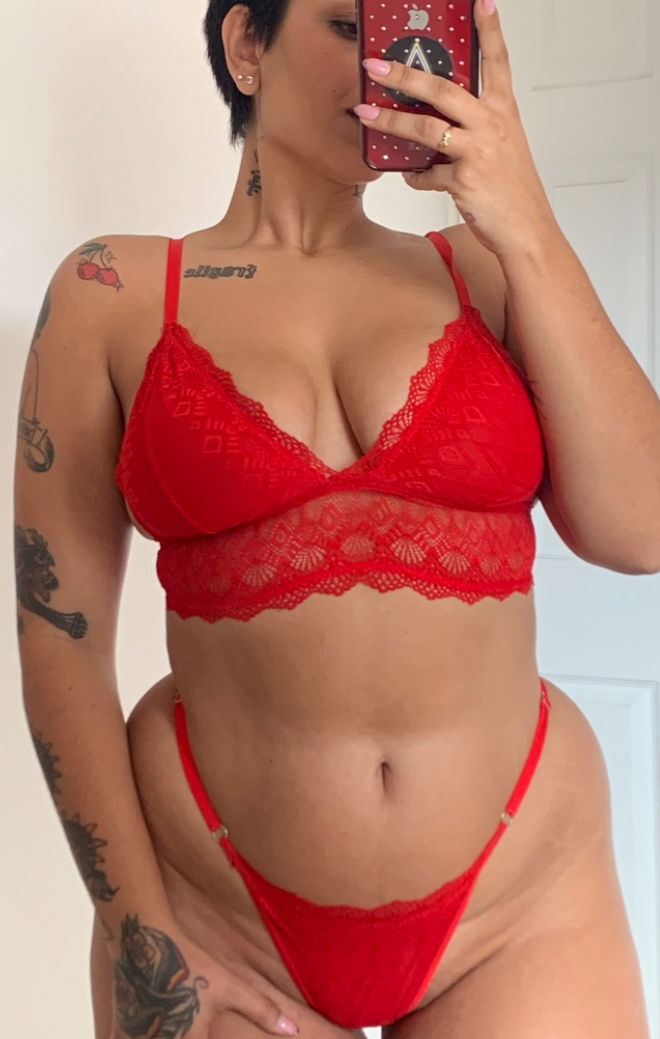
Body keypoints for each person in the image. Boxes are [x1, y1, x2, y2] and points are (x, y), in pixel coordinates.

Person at [15, 0, 657, 1037]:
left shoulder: (484, 269)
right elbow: (60, 647)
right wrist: (142, 933)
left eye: (412, 29)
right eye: (350, 26)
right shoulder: (115, 293)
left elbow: (642, 528)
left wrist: (525, 215)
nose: (391, 68)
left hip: (521, 906)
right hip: (213, 912)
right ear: (246, 46)